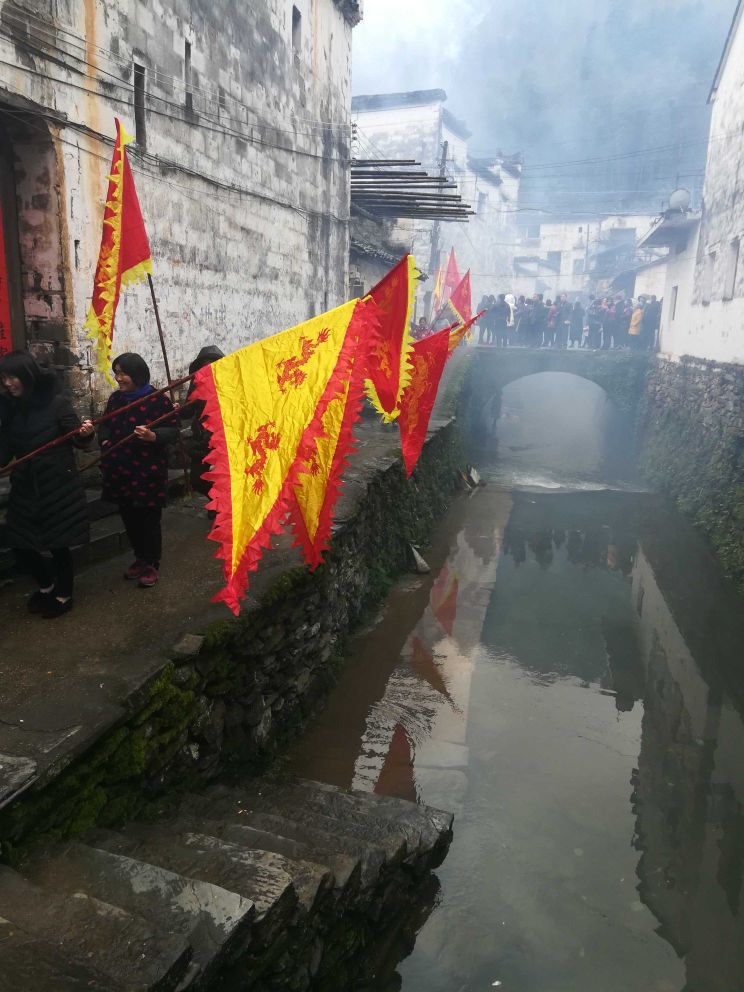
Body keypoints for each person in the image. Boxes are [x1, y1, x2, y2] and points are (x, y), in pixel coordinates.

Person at [0, 351, 94, 617]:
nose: (7, 384)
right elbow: (5, 449)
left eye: (12, 377)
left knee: (58, 544)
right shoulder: (10, 408)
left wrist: (86, 434)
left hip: (58, 484)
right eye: (3, 378)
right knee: (19, 541)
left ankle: (64, 595)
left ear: (27, 375)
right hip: (26, 485)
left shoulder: (57, 403)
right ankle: (46, 585)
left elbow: (78, 438)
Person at [99, 353, 178, 588]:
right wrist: (104, 442)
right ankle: (140, 558)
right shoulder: (116, 400)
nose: (119, 378)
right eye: (117, 373)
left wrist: (154, 436)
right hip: (120, 469)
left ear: (138, 374)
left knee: (148, 519)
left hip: (147, 470)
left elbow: (172, 429)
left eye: (123, 373)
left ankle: (152, 563)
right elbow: (106, 424)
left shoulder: (157, 400)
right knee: (129, 517)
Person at [183, 345, 224, 509]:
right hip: (201, 439)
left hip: (223, 439)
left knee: (223, 478)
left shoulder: (232, 385)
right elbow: (187, 412)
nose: (208, 368)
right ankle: (218, 504)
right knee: (198, 479)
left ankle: (224, 509)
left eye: (212, 363)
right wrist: (177, 408)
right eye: (203, 365)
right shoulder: (196, 384)